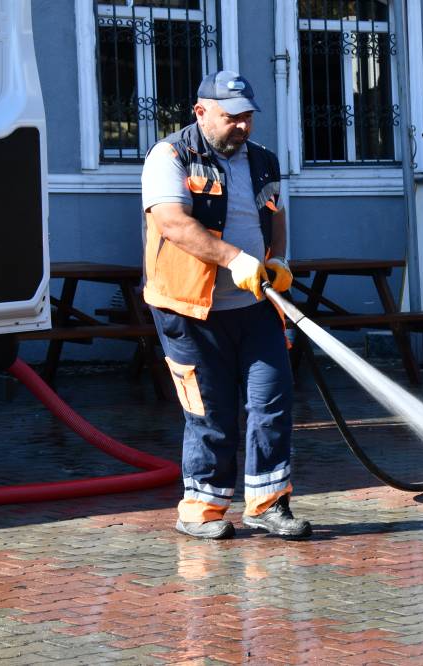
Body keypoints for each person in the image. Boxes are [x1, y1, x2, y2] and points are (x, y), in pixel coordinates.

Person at [141, 70, 311, 541]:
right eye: (231, 117)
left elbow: (274, 217)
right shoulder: (170, 155)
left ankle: (267, 504)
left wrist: (277, 261)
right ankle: (201, 508)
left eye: (248, 117)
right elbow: (172, 223)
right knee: (210, 410)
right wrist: (235, 258)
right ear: (201, 112)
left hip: (255, 305)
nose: (242, 126)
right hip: (190, 309)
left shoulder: (262, 161)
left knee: (271, 401)